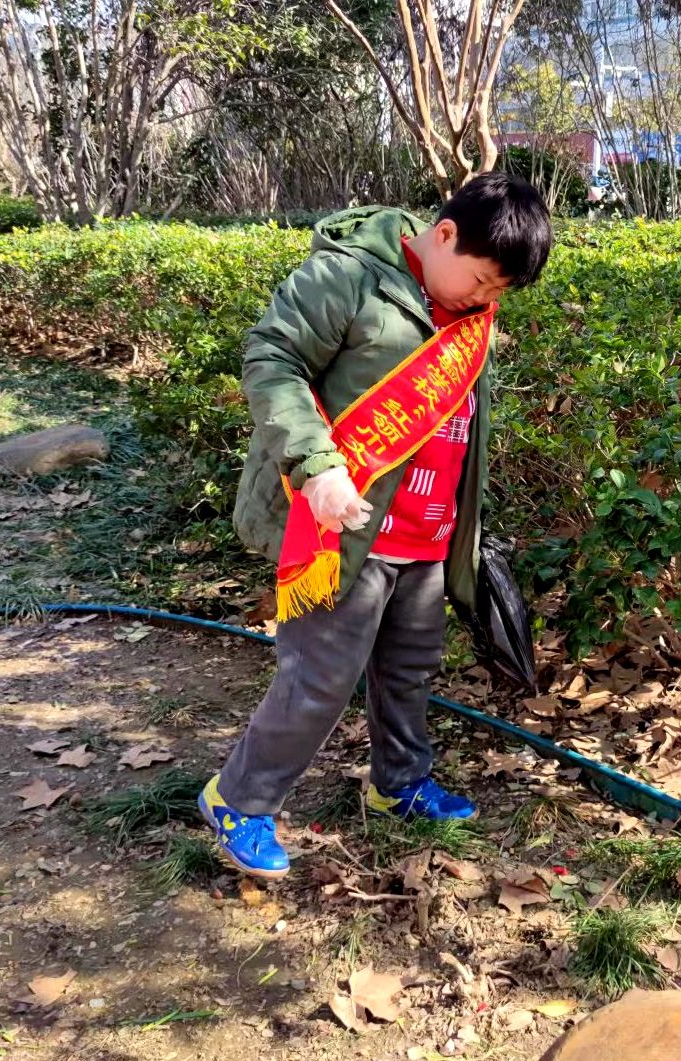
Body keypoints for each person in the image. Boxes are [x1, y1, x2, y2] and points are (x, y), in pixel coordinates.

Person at [199, 173, 553, 879]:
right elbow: (272, 360)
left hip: (428, 534)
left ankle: (399, 784)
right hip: (344, 528)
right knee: (320, 679)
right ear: (444, 234)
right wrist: (316, 465)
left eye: (498, 291)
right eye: (481, 280)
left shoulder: (467, 314)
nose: (485, 299)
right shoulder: (348, 277)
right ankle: (237, 799)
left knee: (409, 671)